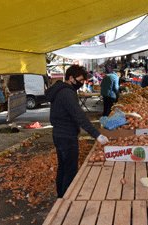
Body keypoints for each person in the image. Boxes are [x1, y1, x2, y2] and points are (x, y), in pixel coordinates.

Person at [45, 65, 109, 198]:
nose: (81, 84)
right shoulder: (67, 93)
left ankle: (61, 196)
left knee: (63, 166)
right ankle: (66, 199)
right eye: (79, 80)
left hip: (59, 134)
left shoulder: (62, 89)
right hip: (66, 136)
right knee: (70, 170)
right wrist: (97, 134)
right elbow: (79, 116)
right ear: (71, 78)